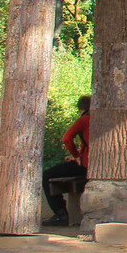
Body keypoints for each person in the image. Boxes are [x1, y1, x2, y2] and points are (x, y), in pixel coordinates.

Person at [41, 95, 90, 227]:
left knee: (46, 175)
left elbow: (67, 138)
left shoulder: (85, 119)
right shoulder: (101, 119)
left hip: (85, 165)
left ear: (81, 109)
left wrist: (76, 156)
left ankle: (60, 212)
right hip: (95, 162)